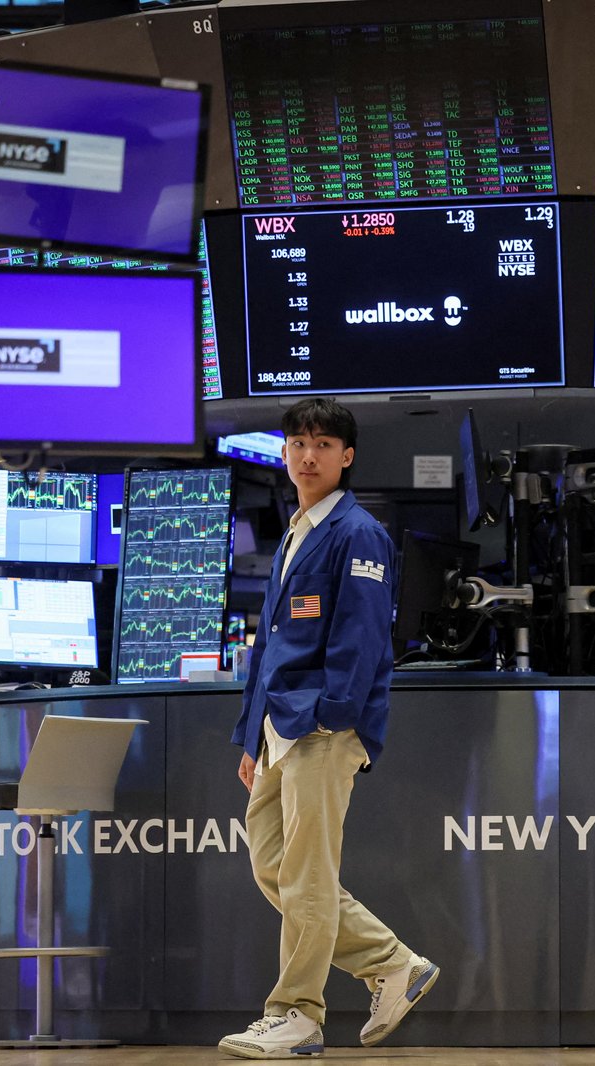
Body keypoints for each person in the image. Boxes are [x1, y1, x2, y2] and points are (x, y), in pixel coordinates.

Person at [219, 397, 439, 1060]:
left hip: (320, 727)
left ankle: (297, 1013)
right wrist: (251, 735)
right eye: (297, 443)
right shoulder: (295, 529)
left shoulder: (357, 533)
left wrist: (328, 719)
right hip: (277, 730)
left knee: (307, 876)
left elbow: (363, 640)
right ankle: (393, 964)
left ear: (346, 456)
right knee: (274, 867)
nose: (307, 455)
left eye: (321, 444)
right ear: (284, 453)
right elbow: (270, 647)